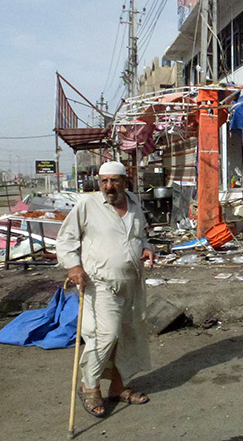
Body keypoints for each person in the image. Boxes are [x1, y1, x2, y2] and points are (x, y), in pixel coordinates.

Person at [56, 161, 154, 417]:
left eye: (114, 181)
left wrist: (147, 249)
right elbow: (66, 238)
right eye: (104, 181)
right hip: (100, 284)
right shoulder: (87, 205)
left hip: (132, 284)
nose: (109, 187)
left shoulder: (134, 203)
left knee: (127, 335)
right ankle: (89, 387)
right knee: (104, 336)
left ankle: (118, 388)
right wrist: (73, 267)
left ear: (125, 180)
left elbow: (140, 237)